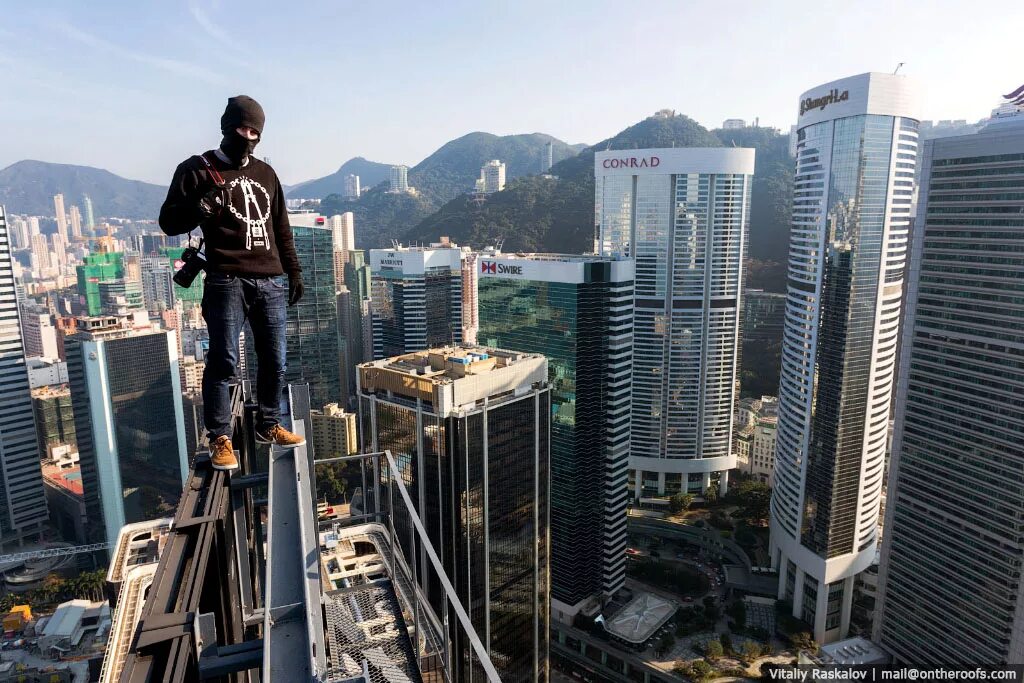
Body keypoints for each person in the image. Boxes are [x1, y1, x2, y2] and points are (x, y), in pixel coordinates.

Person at [159, 95, 305, 471]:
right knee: (224, 360)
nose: (248, 137)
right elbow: (168, 222)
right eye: (243, 128)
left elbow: (281, 227)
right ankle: (220, 437)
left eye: (255, 131)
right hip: (226, 279)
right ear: (227, 127)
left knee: (275, 359)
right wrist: (199, 207)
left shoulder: (266, 173)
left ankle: (268, 424)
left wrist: (293, 270)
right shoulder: (196, 169)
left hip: (270, 279)